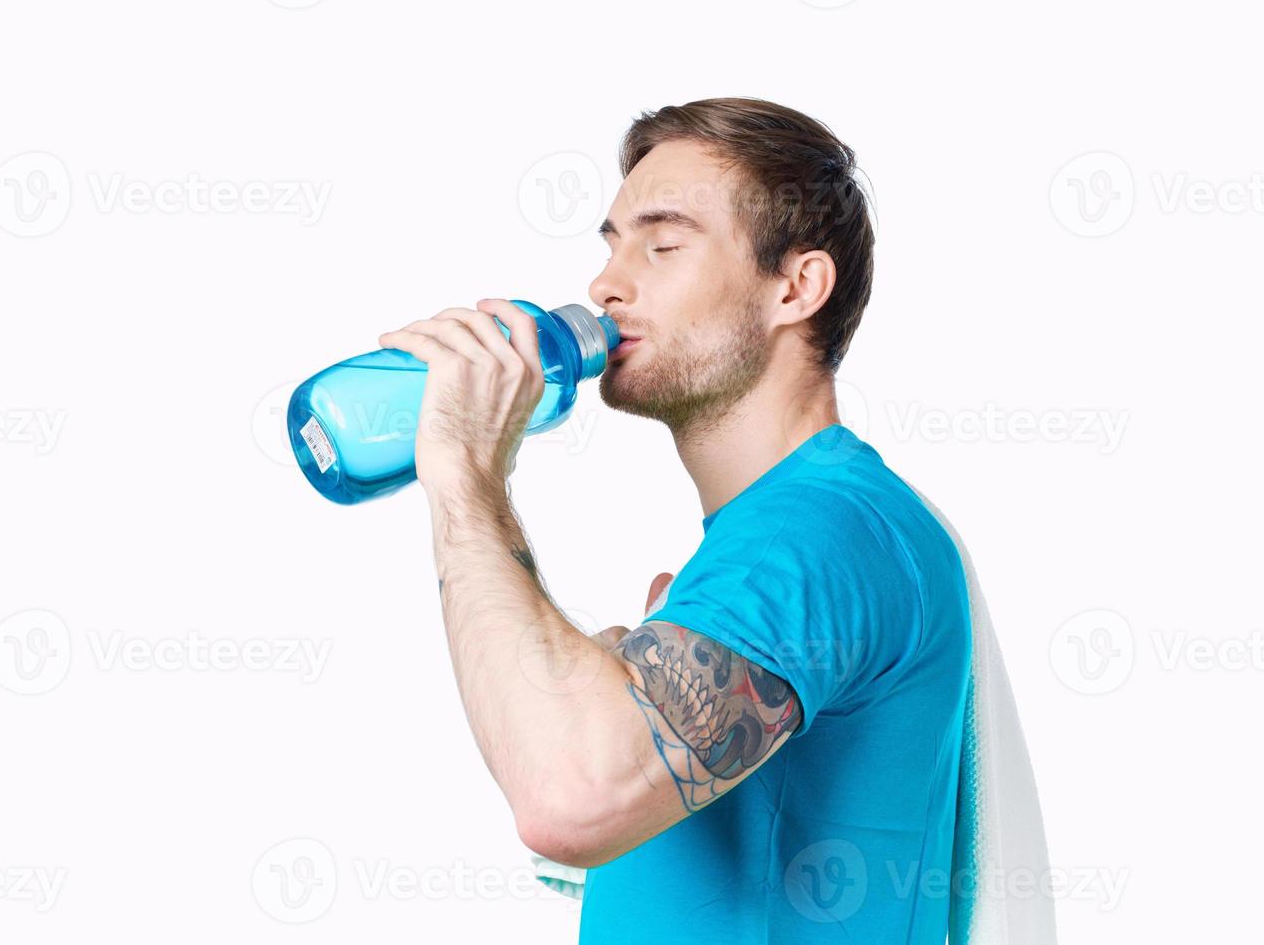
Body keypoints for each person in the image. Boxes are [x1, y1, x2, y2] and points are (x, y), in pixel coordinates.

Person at [376, 98, 971, 943]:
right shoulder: (774, 538)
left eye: (663, 244)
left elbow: (569, 801)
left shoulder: (810, 534)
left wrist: (465, 476)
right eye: (613, 246)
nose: (605, 285)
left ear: (796, 287)